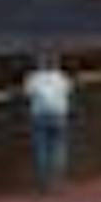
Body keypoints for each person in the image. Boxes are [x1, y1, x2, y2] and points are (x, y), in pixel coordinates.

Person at [23, 51, 73, 190]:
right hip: (59, 114)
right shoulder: (61, 77)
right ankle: (59, 180)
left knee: (41, 149)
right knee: (59, 148)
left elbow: (27, 93)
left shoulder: (33, 78)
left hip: (40, 115)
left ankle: (44, 183)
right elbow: (68, 91)